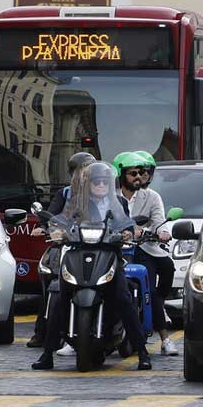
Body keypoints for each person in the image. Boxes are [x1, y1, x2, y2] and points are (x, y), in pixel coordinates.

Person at [32, 162, 151, 370]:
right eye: (96, 181)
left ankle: (142, 351)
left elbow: (126, 223)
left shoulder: (119, 203)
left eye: (105, 181)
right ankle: (47, 353)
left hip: (109, 253)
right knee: (59, 297)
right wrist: (55, 230)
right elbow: (62, 220)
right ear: (88, 183)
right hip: (78, 252)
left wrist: (128, 233)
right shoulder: (77, 204)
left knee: (123, 298)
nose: (101, 185)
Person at [29, 151, 96, 349]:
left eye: (89, 171)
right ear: (73, 172)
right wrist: (44, 226)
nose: (85, 175)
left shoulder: (101, 191)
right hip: (67, 244)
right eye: (81, 170)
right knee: (52, 280)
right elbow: (52, 214)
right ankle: (42, 332)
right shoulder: (65, 193)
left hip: (94, 245)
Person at [115, 151, 178, 357]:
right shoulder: (109, 197)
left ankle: (164, 338)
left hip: (143, 248)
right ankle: (74, 337)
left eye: (141, 173)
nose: (138, 177)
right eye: (133, 173)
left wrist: (161, 233)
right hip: (111, 249)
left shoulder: (152, 197)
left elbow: (159, 221)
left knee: (150, 289)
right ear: (120, 174)